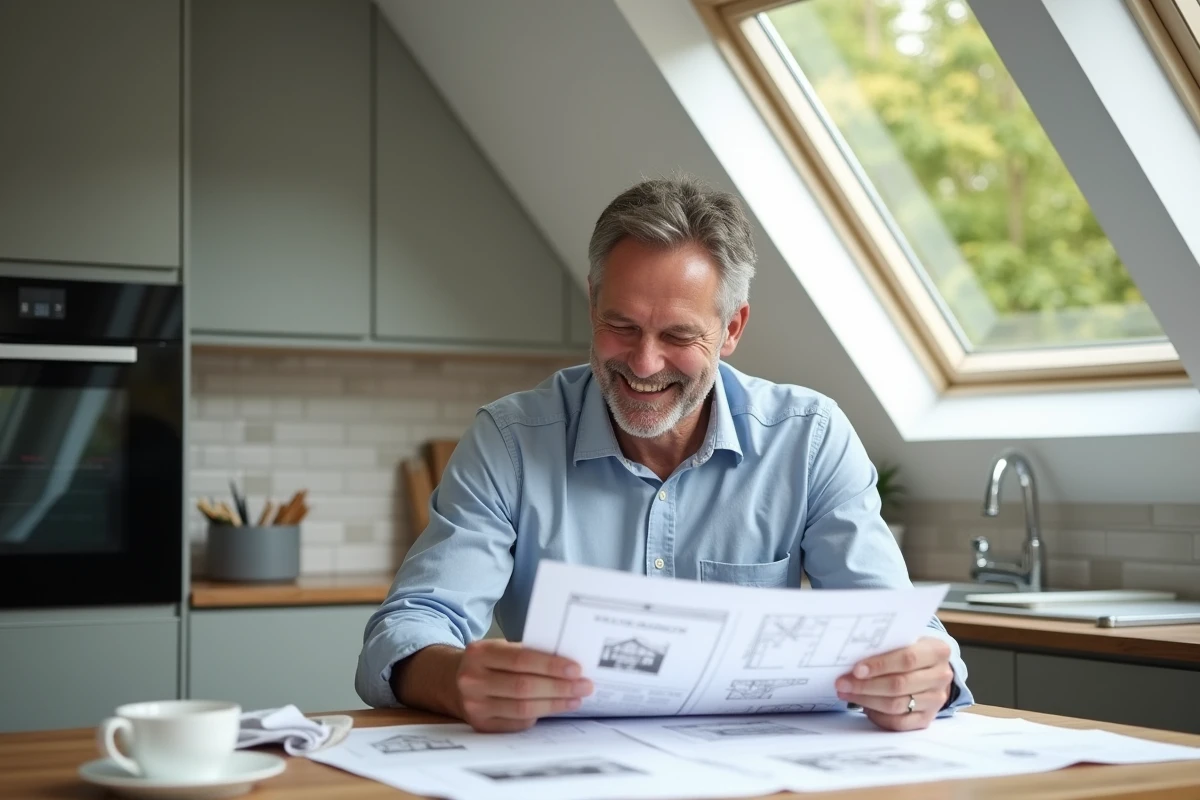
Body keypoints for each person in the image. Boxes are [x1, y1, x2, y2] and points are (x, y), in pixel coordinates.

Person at [355, 175, 973, 733]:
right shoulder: (510, 440)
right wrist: (453, 679)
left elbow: (896, 626)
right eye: (621, 325)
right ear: (593, 302)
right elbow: (410, 625)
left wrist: (920, 680)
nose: (643, 364)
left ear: (732, 329)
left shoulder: (808, 437)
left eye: (678, 335)